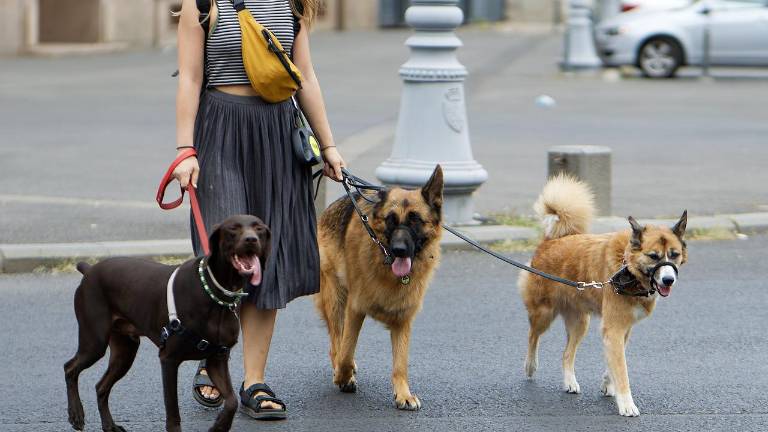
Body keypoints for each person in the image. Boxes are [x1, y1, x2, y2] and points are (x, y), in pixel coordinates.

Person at [172, 0, 344, 420]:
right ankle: (214, 357)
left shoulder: (292, 5)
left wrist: (328, 145)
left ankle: (254, 381)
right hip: (220, 131)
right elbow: (190, 77)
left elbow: (305, 76)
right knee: (227, 252)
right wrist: (184, 150)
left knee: (267, 258)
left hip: (277, 135)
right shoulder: (203, 4)